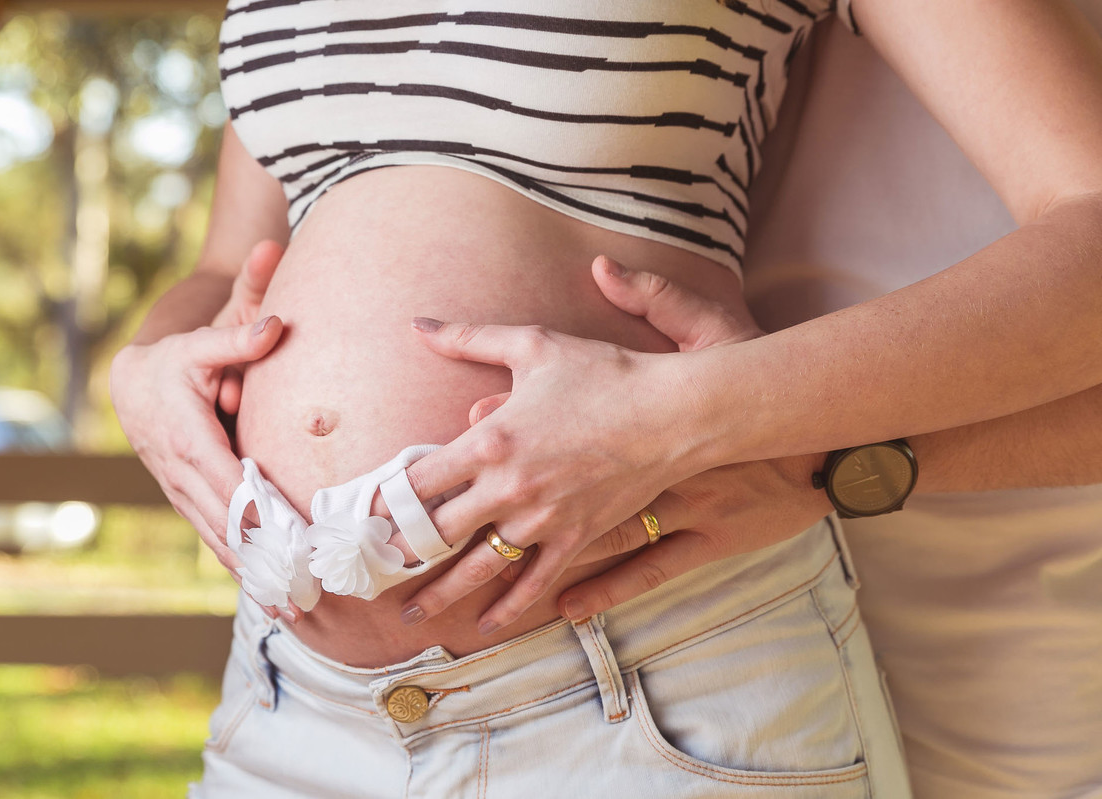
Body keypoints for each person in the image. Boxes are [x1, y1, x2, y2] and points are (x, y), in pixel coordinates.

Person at [108, 0, 1101, 796]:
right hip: (294, 693)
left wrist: (688, 416)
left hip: (653, 681)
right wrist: (143, 369)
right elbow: (230, 263)